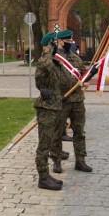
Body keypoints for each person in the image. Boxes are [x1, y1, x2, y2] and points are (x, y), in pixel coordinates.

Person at [52, 29, 95, 173]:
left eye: (71, 42)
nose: (70, 44)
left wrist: (88, 77)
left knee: (79, 131)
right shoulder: (53, 58)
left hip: (77, 100)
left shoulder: (75, 58)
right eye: (68, 42)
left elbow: (83, 74)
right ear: (60, 41)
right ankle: (57, 161)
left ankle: (80, 160)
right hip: (61, 100)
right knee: (57, 132)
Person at [33, 32, 65, 190]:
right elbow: (45, 65)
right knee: (44, 145)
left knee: (51, 141)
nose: (60, 45)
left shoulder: (53, 61)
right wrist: (48, 50)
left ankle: (46, 175)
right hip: (46, 108)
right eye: (56, 43)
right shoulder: (44, 60)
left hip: (54, 106)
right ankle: (43, 178)